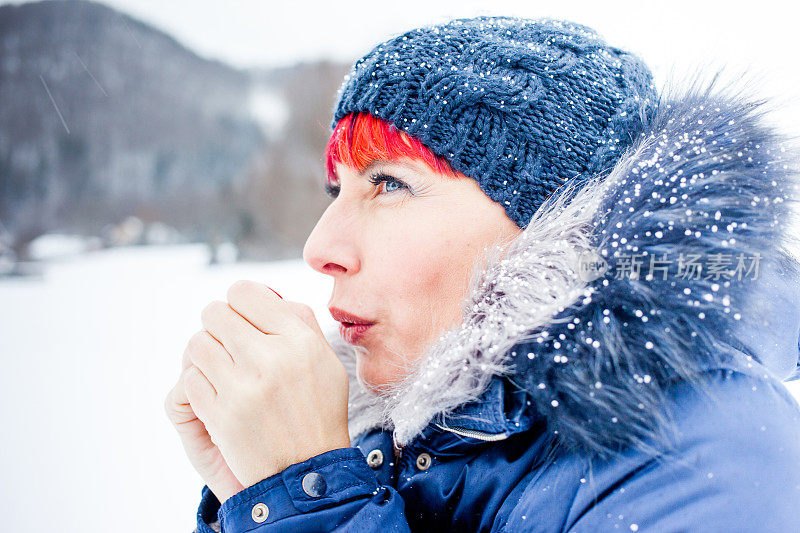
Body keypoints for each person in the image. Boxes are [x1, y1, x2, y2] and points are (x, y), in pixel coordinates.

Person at [165, 16, 800, 532]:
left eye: (389, 183)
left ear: (553, 224)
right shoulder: (424, 440)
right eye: (339, 189)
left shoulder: (708, 446)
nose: (319, 245)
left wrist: (313, 498)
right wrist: (259, 494)